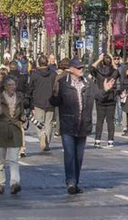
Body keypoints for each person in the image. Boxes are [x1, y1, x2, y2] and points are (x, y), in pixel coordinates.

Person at [50, 58, 114, 194]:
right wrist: (52, 95)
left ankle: (75, 182)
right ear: (71, 69)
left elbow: (98, 96)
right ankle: (71, 182)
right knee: (69, 155)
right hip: (68, 124)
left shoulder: (88, 83)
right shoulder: (63, 83)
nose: (81, 70)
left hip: (83, 125)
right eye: (79, 68)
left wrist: (106, 90)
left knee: (79, 157)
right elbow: (55, 101)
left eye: (82, 68)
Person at [0, 75, 27, 195]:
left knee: (14, 159)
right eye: (10, 85)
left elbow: (22, 113)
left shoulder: (19, 97)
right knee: (0, 160)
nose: (12, 87)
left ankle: (14, 183)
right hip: (1, 130)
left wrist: (23, 118)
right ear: (5, 86)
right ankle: (0, 183)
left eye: (14, 85)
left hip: (14, 130)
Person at [28, 55, 57, 151]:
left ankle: (42, 135)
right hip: (50, 101)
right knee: (49, 123)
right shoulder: (53, 74)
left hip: (38, 101)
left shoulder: (34, 74)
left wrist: (30, 102)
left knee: (38, 122)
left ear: (38, 63)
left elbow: (30, 88)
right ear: (47, 62)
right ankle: (47, 142)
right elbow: (56, 88)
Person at [90, 54, 119, 148]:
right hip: (111, 98)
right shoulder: (113, 72)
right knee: (110, 121)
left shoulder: (98, 72)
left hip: (100, 97)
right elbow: (117, 71)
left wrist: (99, 59)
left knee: (99, 120)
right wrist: (111, 58)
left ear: (102, 62)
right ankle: (110, 141)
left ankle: (97, 140)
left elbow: (91, 68)